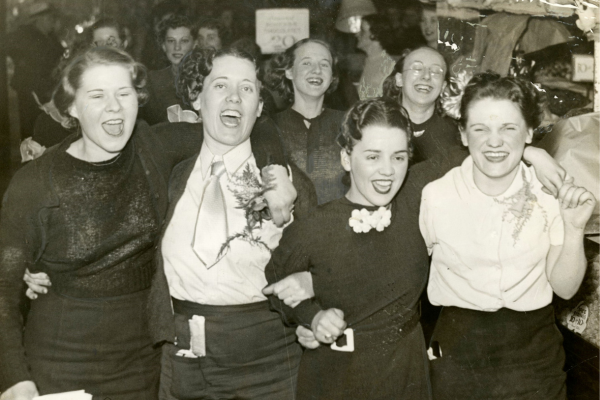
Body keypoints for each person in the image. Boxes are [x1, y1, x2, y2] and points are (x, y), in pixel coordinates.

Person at [1, 46, 296, 400]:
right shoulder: (35, 183)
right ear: (71, 106)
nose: (114, 106)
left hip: (143, 362)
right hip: (61, 361)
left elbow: (244, 127)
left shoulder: (155, 147)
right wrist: (14, 377)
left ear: (138, 100)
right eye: (97, 95)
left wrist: (275, 173)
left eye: (124, 93)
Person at [152, 47, 316, 400]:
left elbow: (325, 259)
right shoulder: (169, 173)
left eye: (247, 89)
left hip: (267, 362)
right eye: (220, 85)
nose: (233, 98)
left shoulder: (288, 184)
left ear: (258, 107)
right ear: (197, 99)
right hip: (184, 361)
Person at [420, 73, 596, 399]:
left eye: (508, 128)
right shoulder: (436, 195)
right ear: (462, 133)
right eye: (480, 129)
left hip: (533, 351)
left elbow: (566, 287)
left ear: (529, 131)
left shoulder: (548, 195)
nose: (494, 141)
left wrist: (573, 229)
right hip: (458, 348)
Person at [264, 98, 432, 400]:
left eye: (398, 157)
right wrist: (311, 316)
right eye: (372, 157)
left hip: (405, 376)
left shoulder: (415, 204)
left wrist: (532, 151)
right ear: (346, 158)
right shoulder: (314, 226)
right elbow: (274, 279)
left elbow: (484, 149)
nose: (387, 171)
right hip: (336, 379)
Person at [268, 38, 346, 204]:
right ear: (289, 71)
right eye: (306, 63)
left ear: (332, 76)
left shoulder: (350, 123)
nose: (317, 70)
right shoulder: (269, 127)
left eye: (325, 64)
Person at [7, 2, 63, 140]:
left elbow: (59, 54)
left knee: (46, 131)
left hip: (47, 91)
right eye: (50, 18)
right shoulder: (26, 36)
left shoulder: (50, 37)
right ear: (40, 19)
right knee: (31, 132)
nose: (53, 22)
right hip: (31, 92)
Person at [139, 14, 196, 125]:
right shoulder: (152, 82)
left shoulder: (205, 79)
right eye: (171, 41)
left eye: (184, 41)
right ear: (163, 46)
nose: (177, 47)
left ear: (195, 44)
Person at [356, 14, 397, 101]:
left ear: (374, 34)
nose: (357, 34)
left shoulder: (387, 65)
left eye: (362, 31)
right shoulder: (369, 61)